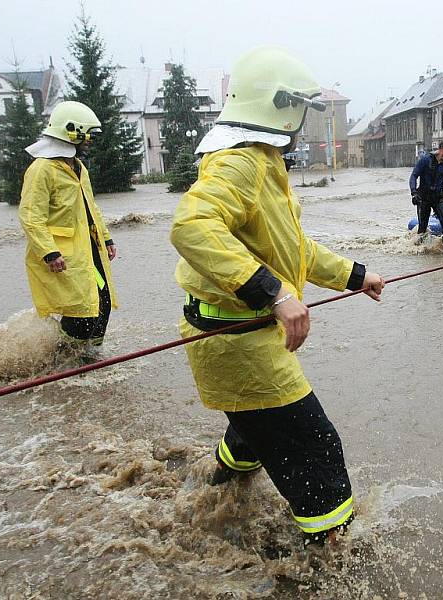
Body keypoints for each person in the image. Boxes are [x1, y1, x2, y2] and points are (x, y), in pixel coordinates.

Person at [170, 46, 385, 546]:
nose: (305, 124)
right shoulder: (240, 164)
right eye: (305, 111)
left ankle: (215, 492)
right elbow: (191, 226)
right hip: (235, 339)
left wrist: (356, 276)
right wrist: (273, 293)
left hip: (237, 334)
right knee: (314, 448)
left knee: (256, 426)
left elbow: (293, 248)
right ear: (281, 106)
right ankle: (332, 554)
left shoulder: (265, 164)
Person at [19, 101, 117, 360]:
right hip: (63, 257)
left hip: (89, 253)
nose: (90, 143)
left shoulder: (78, 167)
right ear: (72, 131)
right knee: (80, 311)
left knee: (102, 302)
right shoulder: (42, 169)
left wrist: (106, 238)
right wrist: (49, 253)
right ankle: (63, 361)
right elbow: (30, 216)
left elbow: (90, 206)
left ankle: (93, 356)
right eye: (88, 137)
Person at [410, 140, 443, 236]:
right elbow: (414, 176)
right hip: (424, 198)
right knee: (422, 227)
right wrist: (414, 193)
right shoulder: (425, 160)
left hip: (438, 197)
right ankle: (420, 248)